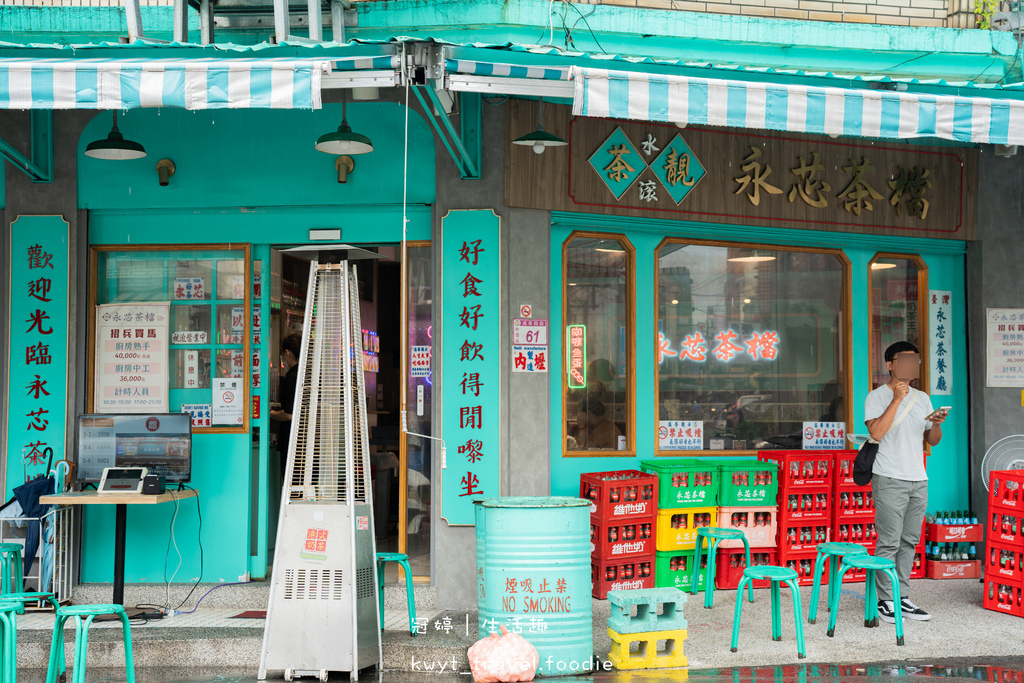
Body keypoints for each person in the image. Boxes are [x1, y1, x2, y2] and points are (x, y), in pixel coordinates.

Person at [864, 340, 946, 623]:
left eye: (916, 359)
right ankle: (885, 601)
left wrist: (936, 423)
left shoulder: (922, 397)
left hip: (918, 478)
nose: (912, 364)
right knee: (888, 542)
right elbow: (876, 432)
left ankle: (902, 596)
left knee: (909, 540)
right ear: (890, 364)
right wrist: (897, 399)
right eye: (906, 358)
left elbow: (931, 440)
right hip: (888, 476)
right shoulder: (876, 397)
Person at [270, 334, 302, 479]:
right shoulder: (306, 375)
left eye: (283, 353)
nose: (283, 357)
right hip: (304, 439)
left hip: (291, 440)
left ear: (287, 352)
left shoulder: (292, 378)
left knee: (291, 480)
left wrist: (269, 412)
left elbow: (289, 414)